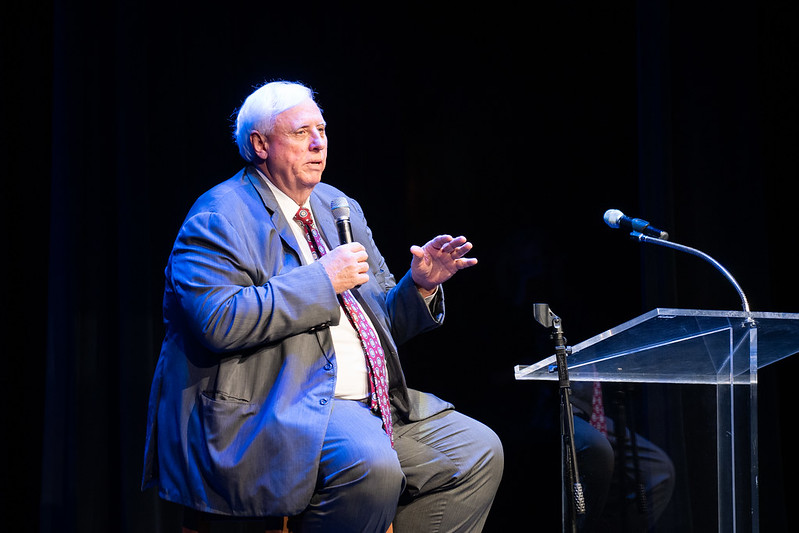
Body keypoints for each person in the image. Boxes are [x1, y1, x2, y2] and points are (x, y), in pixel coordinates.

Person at [141, 80, 503, 533]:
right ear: (260, 145)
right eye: (301, 132)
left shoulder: (337, 205)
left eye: (322, 130)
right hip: (278, 407)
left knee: (476, 451)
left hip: (372, 402)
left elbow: (381, 322)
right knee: (371, 464)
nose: (318, 143)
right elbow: (218, 320)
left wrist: (420, 286)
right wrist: (322, 279)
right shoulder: (219, 215)